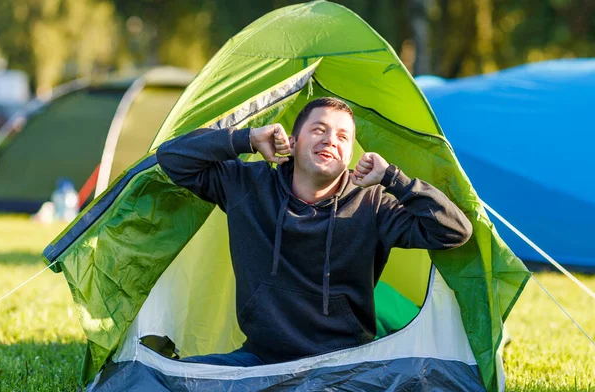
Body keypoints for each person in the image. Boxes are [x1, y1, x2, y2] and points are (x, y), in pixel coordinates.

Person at [156, 97, 472, 367]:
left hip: (344, 367)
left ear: (349, 155)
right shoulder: (248, 184)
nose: (330, 140)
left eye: (343, 137)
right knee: (162, 381)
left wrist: (393, 178)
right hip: (261, 362)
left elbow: (454, 231)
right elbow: (171, 158)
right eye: (319, 129)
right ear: (294, 142)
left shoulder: (372, 204)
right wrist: (247, 138)